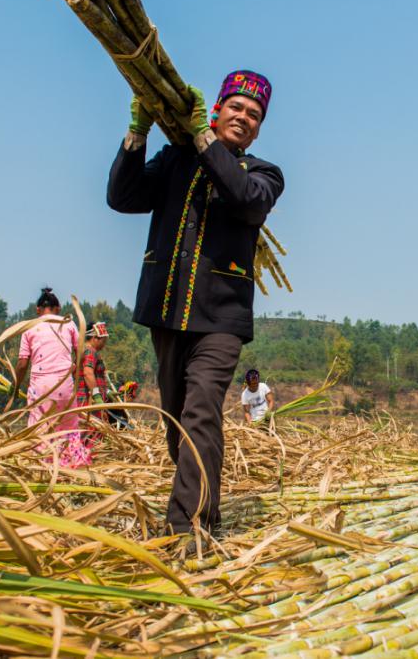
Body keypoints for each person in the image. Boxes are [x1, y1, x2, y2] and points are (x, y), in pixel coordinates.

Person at [107, 70, 284, 537]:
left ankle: (186, 529)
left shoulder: (262, 174)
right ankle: (208, 508)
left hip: (220, 318)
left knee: (201, 410)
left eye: (255, 115)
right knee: (177, 423)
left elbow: (245, 201)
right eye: (237, 108)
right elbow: (122, 198)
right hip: (166, 312)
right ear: (218, 109)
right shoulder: (176, 159)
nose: (244, 118)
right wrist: (138, 132)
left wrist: (204, 140)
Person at [14, 288, 89, 467]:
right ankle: (73, 467)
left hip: (41, 387)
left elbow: (23, 364)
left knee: (40, 430)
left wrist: (15, 386)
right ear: (58, 308)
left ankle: (42, 468)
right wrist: (72, 370)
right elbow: (81, 354)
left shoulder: (30, 326)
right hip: (65, 386)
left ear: (38, 309)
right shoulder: (68, 324)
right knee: (70, 427)